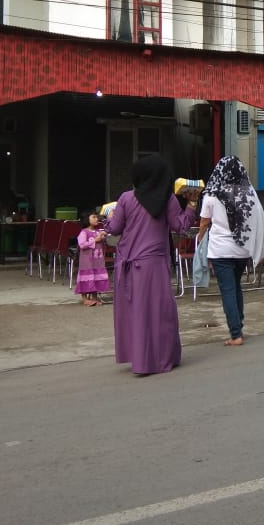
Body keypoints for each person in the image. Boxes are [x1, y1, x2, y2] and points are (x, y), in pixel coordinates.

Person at [105, 155, 197, 375]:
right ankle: (160, 358)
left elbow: (115, 228)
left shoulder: (126, 198)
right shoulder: (167, 199)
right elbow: (180, 226)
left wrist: (107, 216)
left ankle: (138, 358)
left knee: (134, 313)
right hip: (153, 264)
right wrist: (192, 204)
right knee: (158, 313)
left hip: (127, 263)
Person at [197, 156, 264, 347]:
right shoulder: (247, 192)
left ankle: (236, 334)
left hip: (220, 250)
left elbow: (204, 222)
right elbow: (255, 218)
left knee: (228, 290)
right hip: (242, 251)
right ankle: (239, 327)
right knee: (236, 287)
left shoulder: (211, 195)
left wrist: (199, 238)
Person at [75, 213, 111, 306]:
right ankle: (85, 299)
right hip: (87, 261)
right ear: (87, 220)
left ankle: (94, 297)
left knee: (96, 276)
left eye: (96, 217)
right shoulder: (84, 232)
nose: (96, 219)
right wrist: (95, 240)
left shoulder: (98, 231)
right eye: (93, 217)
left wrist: (103, 236)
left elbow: (104, 240)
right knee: (86, 277)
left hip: (97, 261)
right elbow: (82, 244)